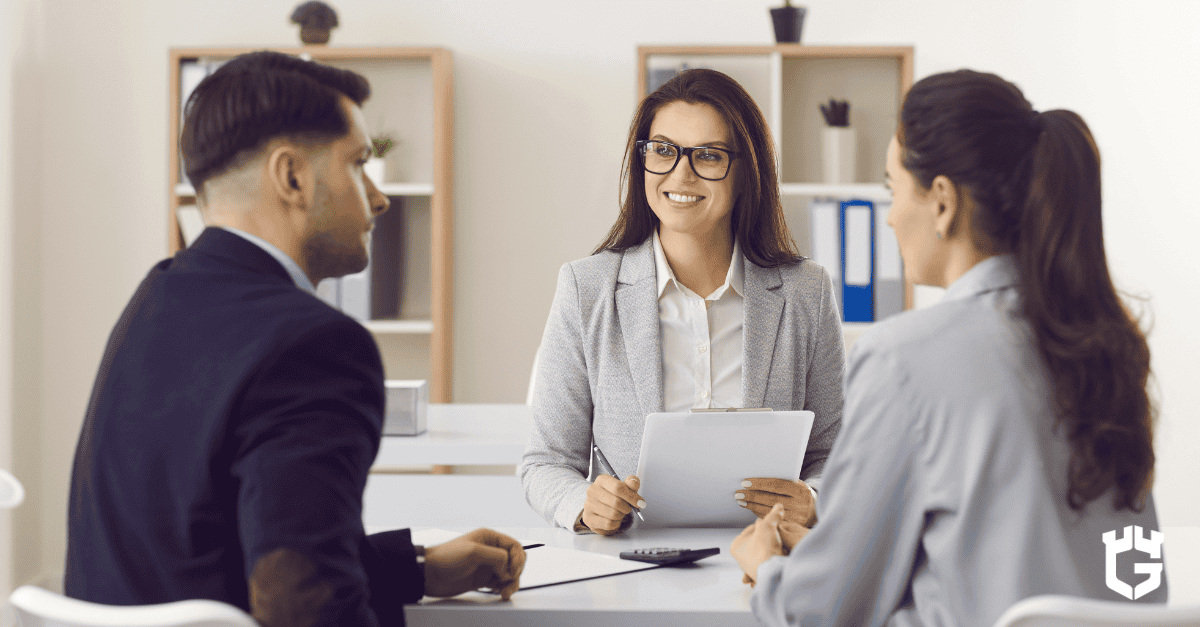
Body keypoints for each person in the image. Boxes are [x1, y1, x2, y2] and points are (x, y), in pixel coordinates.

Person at [65, 51, 525, 626]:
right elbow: (308, 608)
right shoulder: (313, 345)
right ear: (292, 177)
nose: (377, 198)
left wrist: (416, 567)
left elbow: (211, 557)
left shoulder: (156, 299)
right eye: (358, 164)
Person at [731, 69, 1168, 625]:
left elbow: (820, 613)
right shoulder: (1105, 345)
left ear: (942, 202)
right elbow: (1138, 584)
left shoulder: (901, 359)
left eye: (892, 190)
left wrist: (769, 567)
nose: (887, 217)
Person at [519, 68, 844, 535]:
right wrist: (583, 504)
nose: (680, 174)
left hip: (767, 561)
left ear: (745, 170)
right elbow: (545, 463)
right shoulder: (585, 289)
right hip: (632, 563)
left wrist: (813, 499)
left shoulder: (804, 292)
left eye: (708, 156)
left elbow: (837, 455)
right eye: (663, 151)